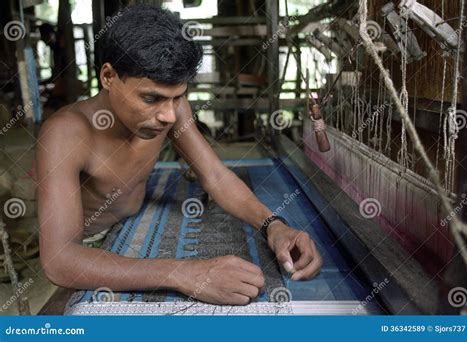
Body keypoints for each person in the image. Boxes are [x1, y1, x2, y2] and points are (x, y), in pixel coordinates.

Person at [36, 4, 322, 305]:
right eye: (151, 98)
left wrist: (273, 226)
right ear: (108, 76)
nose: (169, 116)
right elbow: (60, 260)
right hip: (90, 246)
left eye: (178, 97)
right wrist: (182, 273)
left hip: (131, 223)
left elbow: (214, 176)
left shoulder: (169, 110)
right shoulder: (66, 133)